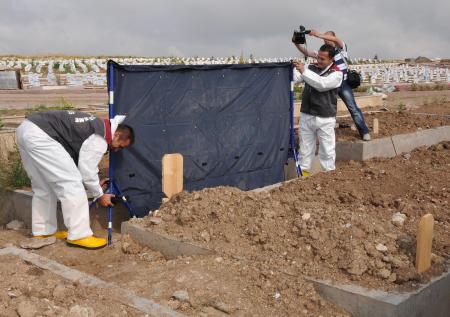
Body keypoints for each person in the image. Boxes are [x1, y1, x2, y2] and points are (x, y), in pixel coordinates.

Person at [16, 110, 134, 249]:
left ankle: (43, 232)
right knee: (72, 183)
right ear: (117, 134)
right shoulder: (99, 138)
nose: (117, 150)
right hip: (41, 135)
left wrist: (95, 184)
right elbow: (87, 171)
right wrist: (99, 194)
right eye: (120, 146)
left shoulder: (95, 125)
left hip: (26, 129)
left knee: (43, 187)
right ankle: (80, 235)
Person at [293, 29, 371, 141]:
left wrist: (318, 35)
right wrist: (296, 43)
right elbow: (306, 52)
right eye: (325, 38)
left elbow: (336, 40)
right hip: (329, 83)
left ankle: (364, 131)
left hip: (343, 84)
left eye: (327, 37)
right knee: (327, 108)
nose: (326, 40)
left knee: (352, 108)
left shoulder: (341, 49)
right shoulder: (323, 53)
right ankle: (325, 133)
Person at [293, 44, 343, 175]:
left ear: (331, 59)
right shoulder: (311, 67)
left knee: (327, 150)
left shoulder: (337, 73)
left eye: (323, 59)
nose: (319, 61)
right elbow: (296, 78)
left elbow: (321, 84)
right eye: (318, 57)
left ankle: (329, 177)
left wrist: (303, 71)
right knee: (305, 149)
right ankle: (303, 177)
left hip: (324, 117)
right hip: (307, 115)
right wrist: (295, 68)